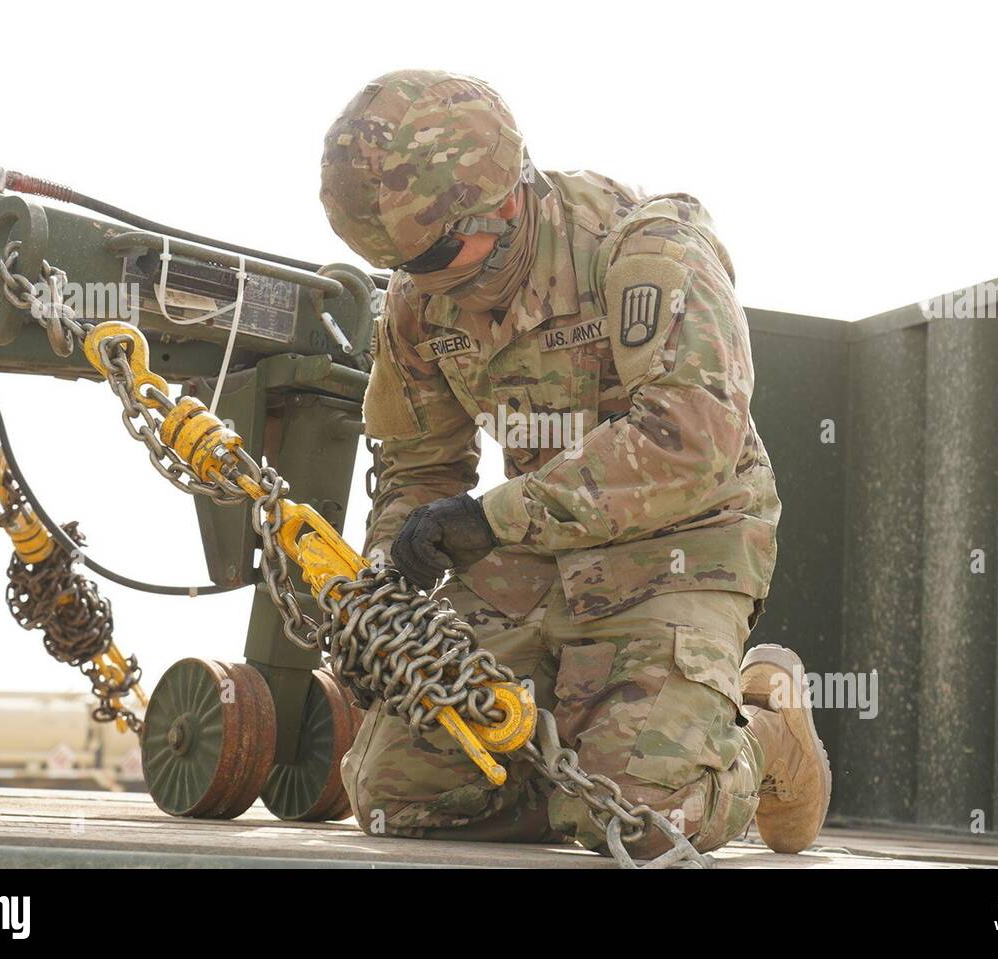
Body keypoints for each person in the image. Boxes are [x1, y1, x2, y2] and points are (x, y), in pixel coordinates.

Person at [319, 69, 830, 858]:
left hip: (682, 542)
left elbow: (689, 436)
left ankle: (765, 725)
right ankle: (580, 774)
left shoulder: (644, 250)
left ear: (508, 198)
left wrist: (494, 517)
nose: (428, 282)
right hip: (533, 547)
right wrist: (390, 585)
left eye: (443, 254)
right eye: (406, 263)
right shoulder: (420, 296)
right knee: (393, 797)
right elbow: (420, 463)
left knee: (644, 825)